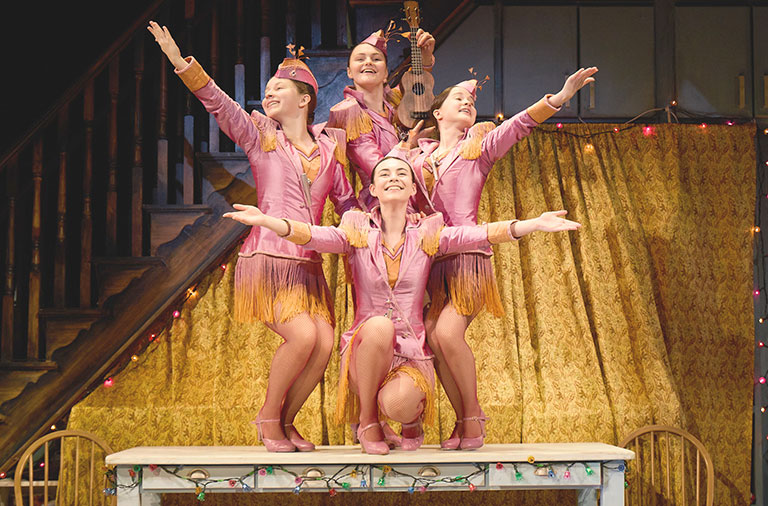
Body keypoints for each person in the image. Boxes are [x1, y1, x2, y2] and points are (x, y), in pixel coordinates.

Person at [223, 156, 581, 454]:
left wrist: (531, 224)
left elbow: (480, 233)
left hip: (411, 354)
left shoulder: (429, 234)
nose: (393, 177)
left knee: (399, 403)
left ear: (412, 190)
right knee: (379, 325)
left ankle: (407, 421)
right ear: (374, 190)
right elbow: (313, 235)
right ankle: (367, 422)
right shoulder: (357, 231)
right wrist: (268, 221)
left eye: (402, 174)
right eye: (384, 174)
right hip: (367, 348)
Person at [148, 21, 360, 452]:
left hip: (309, 265)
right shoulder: (260, 136)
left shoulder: (330, 149)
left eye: (278, 87)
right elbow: (219, 104)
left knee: (321, 347)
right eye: (267, 88)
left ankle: (286, 421)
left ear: (304, 99)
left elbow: (346, 200)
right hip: (268, 259)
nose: (269, 93)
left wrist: (357, 219)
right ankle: (267, 418)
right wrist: (179, 61)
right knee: (302, 336)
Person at [390, 68, 598, 449]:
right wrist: (401, 150)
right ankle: (459, 422)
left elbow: (518, 126)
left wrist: (559, 96)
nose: (468, 103)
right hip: (432, 263)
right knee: (434, 341)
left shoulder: (478, 149)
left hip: (468, 257)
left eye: (472, 102)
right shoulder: (418, 160)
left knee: (448, 333)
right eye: (459, 99)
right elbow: (390, 187)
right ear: (437, 113)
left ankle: (472, 419)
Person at [327, 25, 435, 211]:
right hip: (381, 207)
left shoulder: (396, 102)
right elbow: (379, 168)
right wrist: (408, 145)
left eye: (376, 59)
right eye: (360, 59)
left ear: (386, 73)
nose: (368, 62)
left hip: (416, 196)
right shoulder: (350, 112)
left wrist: (424, 57)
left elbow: (419, 89)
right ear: (349, 72)